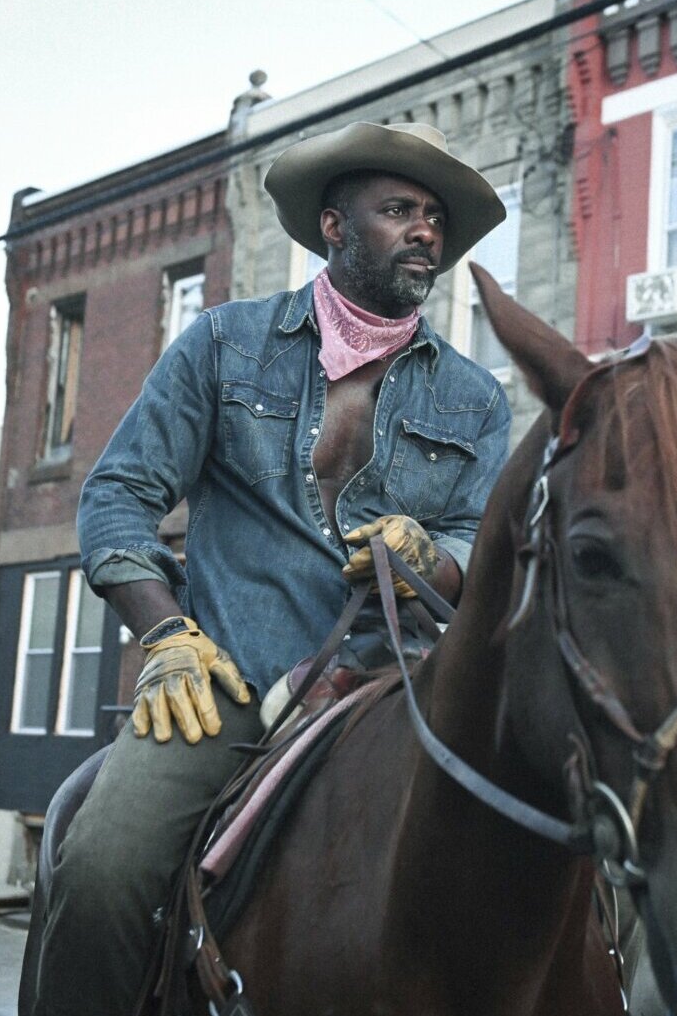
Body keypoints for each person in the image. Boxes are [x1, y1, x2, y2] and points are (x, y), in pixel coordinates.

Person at [27, 122, 512, 1016]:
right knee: (99, 867)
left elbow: (487, 549)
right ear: (333, 225)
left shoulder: (477, 400)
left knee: (581, 874)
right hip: (225, 685)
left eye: (437, 218)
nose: (425, 232)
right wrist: (165, 634)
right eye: (399, 209)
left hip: (394, 695)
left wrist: (431, 557)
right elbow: (118, 496)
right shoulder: (223, 345)